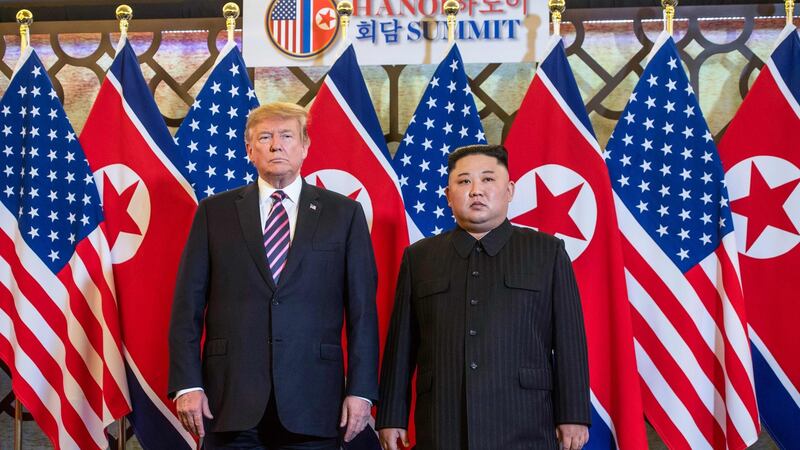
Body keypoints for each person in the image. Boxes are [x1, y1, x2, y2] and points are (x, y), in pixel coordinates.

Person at [168, 102, 379, 449]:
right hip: (229, 400)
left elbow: (363, 313)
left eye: (287, 136)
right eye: (265, 137)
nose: (276, 145)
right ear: (249, 149)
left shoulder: (344, 214)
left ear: (305, 146)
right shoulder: (213, 213)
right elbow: (186, 307)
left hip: (314, 401)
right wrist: (187, 384)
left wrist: (361, 390)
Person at [376, 144, 591, 450]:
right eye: (464, 181)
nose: (476, 190)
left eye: (488, 179)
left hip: (524, 419)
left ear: (510, 190)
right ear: (448, 195)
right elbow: (401, 345)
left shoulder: (547, 252)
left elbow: (570, 340)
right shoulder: (420, 257)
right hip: (443, 420)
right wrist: (391, 416)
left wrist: (573, 414)